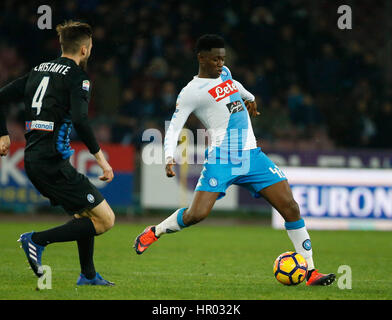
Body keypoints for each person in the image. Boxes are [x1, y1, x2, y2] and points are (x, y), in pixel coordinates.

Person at [133, 34, 335, 286]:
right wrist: (168, 156)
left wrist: (249, 97)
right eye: (215, 59)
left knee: (290, 207)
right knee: (197, 214)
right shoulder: (191, 92)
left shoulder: (225, 73)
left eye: (223, 58)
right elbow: (174, 127)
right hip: (222, 159)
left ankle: (310, 272)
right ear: (201, 58)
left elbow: (235, 85)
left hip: (252, 156)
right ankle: (155, 231)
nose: (220, 63)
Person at [0, 21, 115, 286]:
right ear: (85, 50)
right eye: (91, 48)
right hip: (52, 163)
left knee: (85, 213)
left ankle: (88, 275)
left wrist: (3, 133)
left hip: (37, 160)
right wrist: (101, 160)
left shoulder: (38, 70)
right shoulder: (78, 77)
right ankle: (36, 240)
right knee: (106, 220)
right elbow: (81, 120)